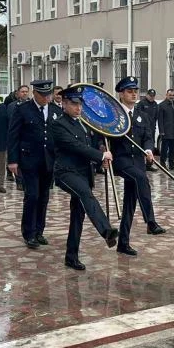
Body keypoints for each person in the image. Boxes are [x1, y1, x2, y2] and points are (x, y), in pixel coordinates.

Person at [51, 86, 119, 270]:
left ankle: (71, 256)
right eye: (74, 104)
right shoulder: (58, 125)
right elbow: (75, 146)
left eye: (80, 104)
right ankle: (106, 231)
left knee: (77, 216)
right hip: (66, 173)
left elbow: (90, 146)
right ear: (64, 104)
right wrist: (100, 156)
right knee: (86, 195)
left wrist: (100, 159)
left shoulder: (84, 124)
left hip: (83, 173)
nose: (78, 108)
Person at [106, 77, 167, 256]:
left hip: (137, 162)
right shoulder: (114, 115)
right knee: (142, 178)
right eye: (129, 91)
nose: (133, 94)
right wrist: (103, 150)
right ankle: (151, 222)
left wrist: (148, 150)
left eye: (135, 91)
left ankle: (123, 243)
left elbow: (148, 136)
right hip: (122, 161)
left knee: (130, 204)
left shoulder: (142, 115)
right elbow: (102, 137)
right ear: (121, 94)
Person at [7, 80, 62, 249]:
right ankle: (29, 233)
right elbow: (13, 135)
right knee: (32, 196)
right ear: (34, 93)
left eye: (49, 94)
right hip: (29, 160)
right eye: (43, 95)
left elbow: (59, 137)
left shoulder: (55, 111)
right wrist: (12, 160)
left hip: (48, 161)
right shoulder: (22, 110)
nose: (46, 98)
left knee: (44, 197)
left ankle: (39, 231)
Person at [157, 88, 174, 170]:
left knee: (172, 150)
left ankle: (171, 164)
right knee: (164, 149)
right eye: (170, 95)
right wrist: (161, 131)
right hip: (166, 132)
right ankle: (162, 163)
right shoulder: (162, 105)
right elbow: (160, 120)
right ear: (166, 95)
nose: (171, 97)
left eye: (173, 95)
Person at [136, 88, 160, 171]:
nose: (151, 97)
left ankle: (149, 164)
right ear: (147, 95)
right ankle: (140, 164)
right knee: (141, 146)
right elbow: (138, 116)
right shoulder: (141, 103)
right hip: (142, 129)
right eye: (150, 96)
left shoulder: (155, 104)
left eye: (153, 96)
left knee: (150, 146)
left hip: (151, 129)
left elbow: (156, 116)